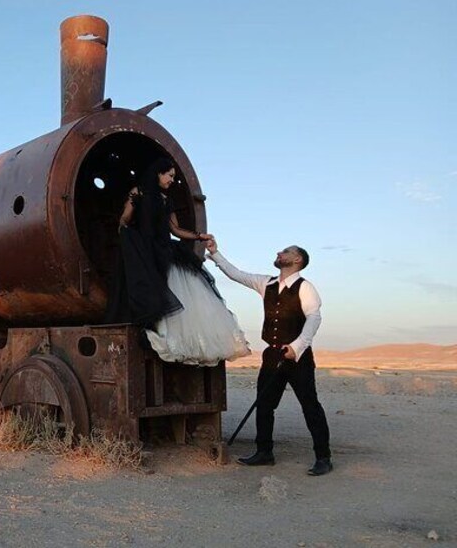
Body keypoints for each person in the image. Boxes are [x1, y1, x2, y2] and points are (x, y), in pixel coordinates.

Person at [104, 157, 249, 365]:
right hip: (146, 251)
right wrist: (128, 236)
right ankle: (163, 341)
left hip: (164, 250)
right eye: (169, 175)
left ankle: (184, 346)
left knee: (177, 294)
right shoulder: (138, 193)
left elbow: (176, 230)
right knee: (153, 292)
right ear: (158, 174)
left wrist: (201, 236)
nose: (172, 180)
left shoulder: (166, 200)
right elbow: (124, 220)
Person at [205, 239, 333, 476]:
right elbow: (237, 274)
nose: (279, 252)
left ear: (297, 260)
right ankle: (265, 452)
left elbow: (314, 318)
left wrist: (297, 347)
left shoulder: (305, 287)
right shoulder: (267, 283)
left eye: (286, 251)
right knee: (264, 405)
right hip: (272, 354)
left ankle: (323, 457)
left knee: (310, 405)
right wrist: (215, 253)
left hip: (298, 356)